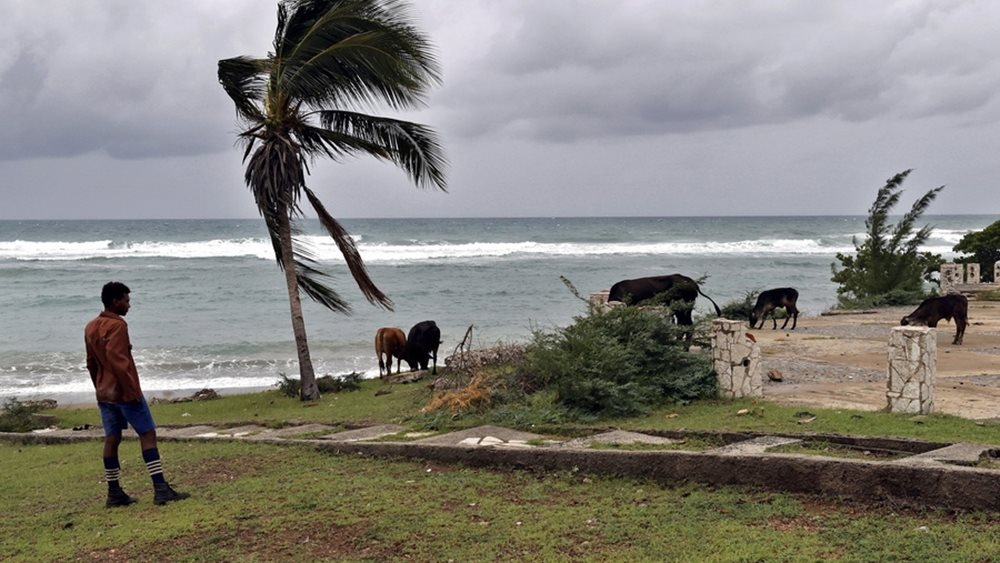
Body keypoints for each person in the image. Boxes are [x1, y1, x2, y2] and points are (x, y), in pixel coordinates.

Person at [85, 281, 189, 507]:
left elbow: (91, 363)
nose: (129, 305)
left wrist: (100, 387)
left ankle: (114, 492)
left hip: (104, 393)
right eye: (126, 300)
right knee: (147, 434)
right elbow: (118, 361)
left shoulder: (90, 327)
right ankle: (160, 488)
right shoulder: (118, 326)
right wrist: (131, 391)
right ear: (115, 301)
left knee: (112, 439)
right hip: (124, 392)